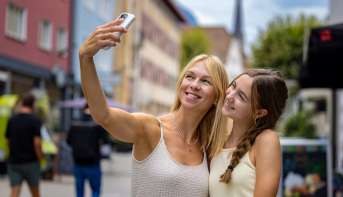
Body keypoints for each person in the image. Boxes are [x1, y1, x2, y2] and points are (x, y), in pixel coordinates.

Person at [79, 18, 229, 197]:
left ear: (217, 97)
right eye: (189, 76)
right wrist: (85, 59)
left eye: (205, 81)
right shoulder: (151, 129)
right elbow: (104, 115)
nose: (194, 85)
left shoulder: (208, 148)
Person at [209, 69, 288, 197]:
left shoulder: (266, 140)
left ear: (259, 112)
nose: (229, 96)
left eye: (241, 96)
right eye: (233, 86)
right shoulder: (219, 141)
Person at [5, 93, 43, 197]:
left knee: (14, 192)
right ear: (33, 105)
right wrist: (40, 158)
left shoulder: (12, 120)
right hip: (31, 162)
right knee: (35, 193)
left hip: (14, 162)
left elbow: (7, 141)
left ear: (22, 104)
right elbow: (37, 143)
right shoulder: (35, 120)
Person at [67, 104, 106, 197]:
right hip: (93, 163)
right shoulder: (97, 125)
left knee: (79, 191)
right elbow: (105, 141)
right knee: (95, 190)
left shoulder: (74, 124)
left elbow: (68, 141)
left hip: (78, 163)